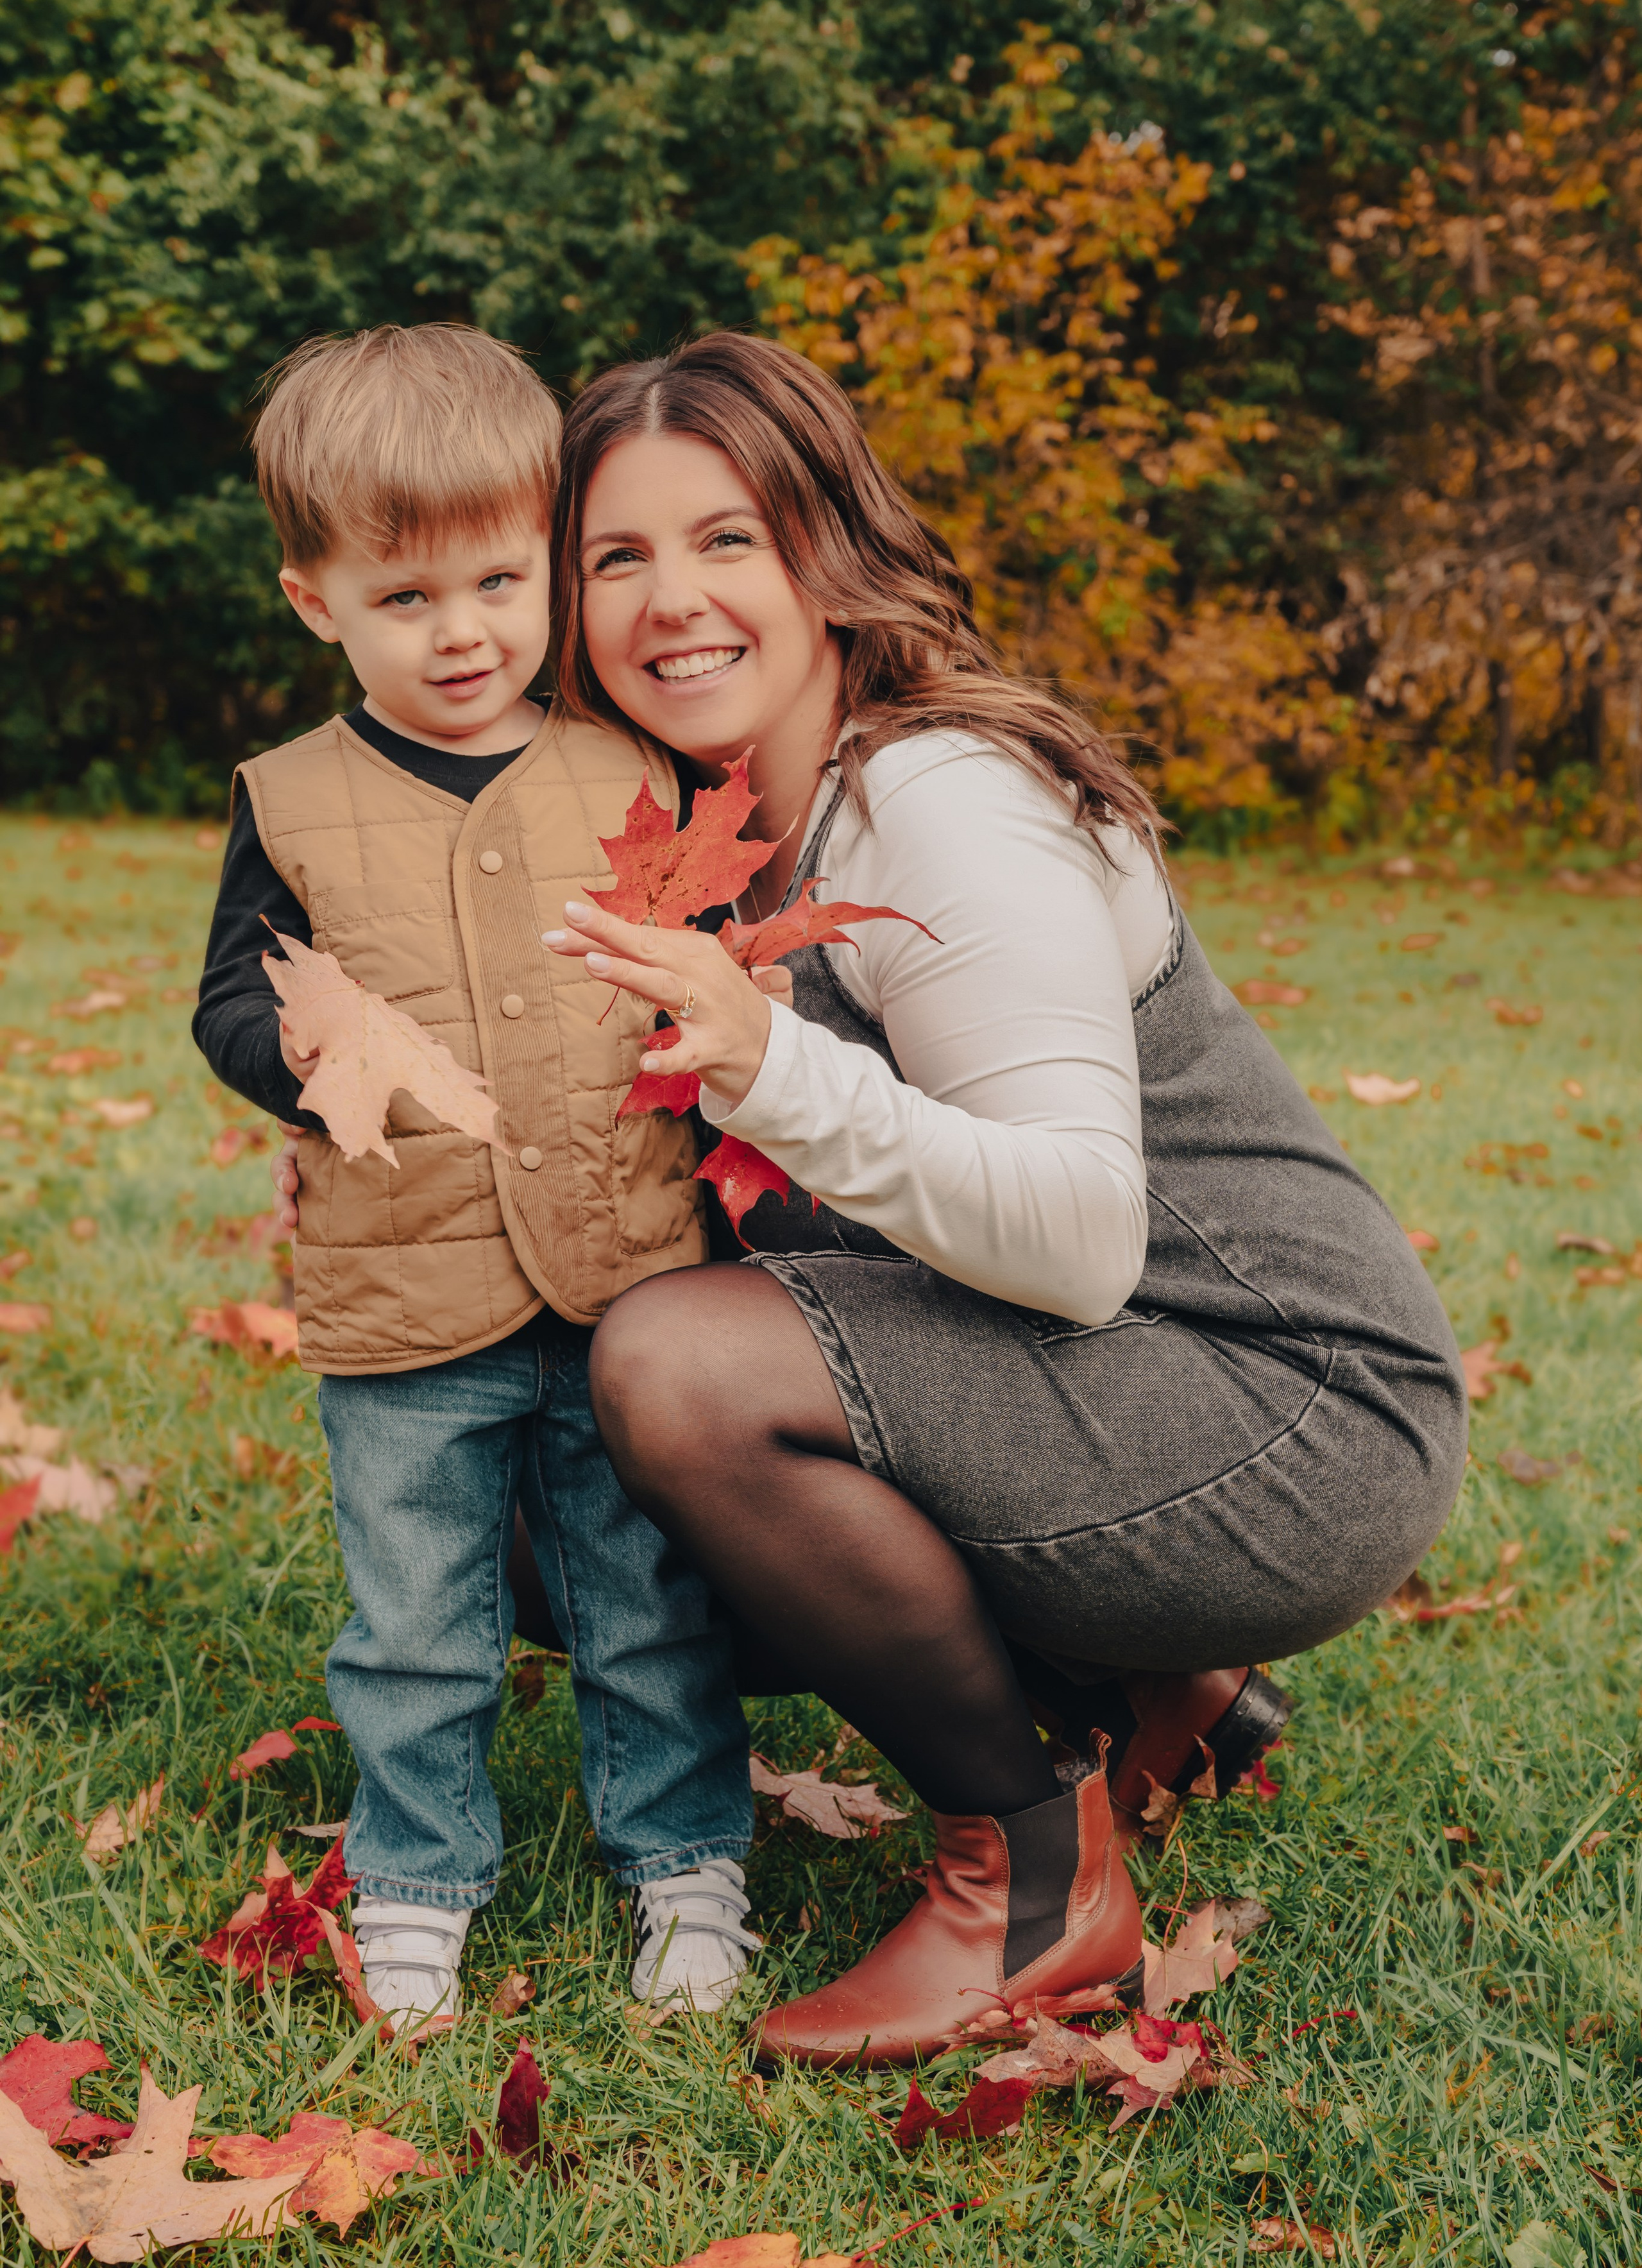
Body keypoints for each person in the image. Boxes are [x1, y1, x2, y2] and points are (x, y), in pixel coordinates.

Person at [532, 330, 1471, 2067]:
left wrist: (767, 1059)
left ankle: (1029, 1876)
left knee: (673, 1372)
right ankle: (1150, 1697)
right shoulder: (718, 817)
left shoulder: (936, 802)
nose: (673, 598)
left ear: (828, 545)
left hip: (1287, 1406)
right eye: (618, 555)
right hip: (1115, 1380)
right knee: (543, 1488)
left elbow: (1075, 1235)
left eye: (727, 536)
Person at [195, 323, 763, 2028]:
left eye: (499, 584)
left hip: (625, 1274)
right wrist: (294, 1052)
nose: (461, 634)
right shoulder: (291, 800)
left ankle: (685, 1861)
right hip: (404, 1292)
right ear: (319, 601)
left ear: (545, 557)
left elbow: (709, 968)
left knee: (646, 1597)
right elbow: (233, 992)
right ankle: (422, 1869)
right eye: (406, 598)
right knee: (417, 1616)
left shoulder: (626, 767)